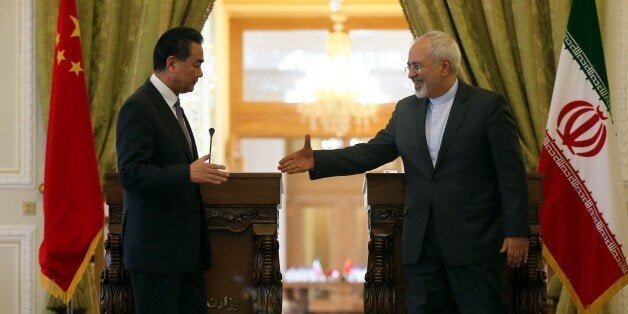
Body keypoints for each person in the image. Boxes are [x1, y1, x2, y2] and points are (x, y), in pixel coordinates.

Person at [278, 30, 530, 313]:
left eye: (417, 66)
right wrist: (319, 161)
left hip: (475, 242)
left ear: (444, 66)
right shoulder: (406, 110)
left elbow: (511, 173)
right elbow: (373, 151)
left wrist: (517, 231)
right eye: (408, 66)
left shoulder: (487, 107)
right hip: (421, 244)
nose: (410, 74)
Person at [116, 27, 229, 313]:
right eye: (197, 64)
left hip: (185, 255)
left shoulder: (172, 107)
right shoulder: (139, 108)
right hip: (155, 255)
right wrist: (186, 173)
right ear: (172, 63)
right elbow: (130, 173)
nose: (201, 73)